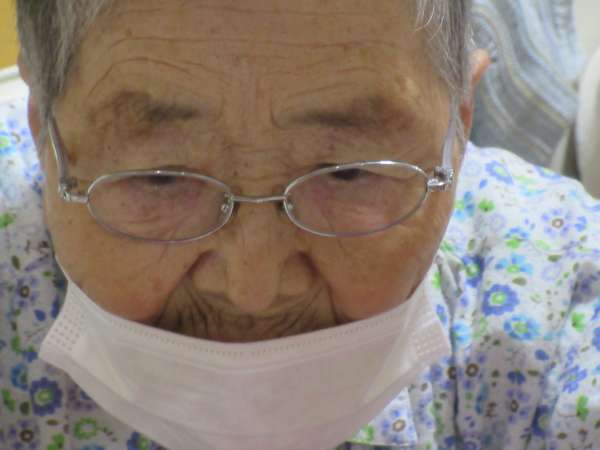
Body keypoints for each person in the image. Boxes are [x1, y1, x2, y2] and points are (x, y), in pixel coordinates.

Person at [1, 1, 600, 449]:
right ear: (43, 133)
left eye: (348, 174)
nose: (253, 290)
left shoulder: (557, 295)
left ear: (459, 126)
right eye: (159, 178)